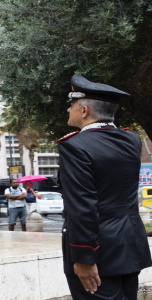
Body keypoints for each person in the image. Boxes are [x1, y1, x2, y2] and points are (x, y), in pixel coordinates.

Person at [58, 73, 151, 299]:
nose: (68, 110)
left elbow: (82, 207)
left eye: (71, 105)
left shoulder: (75, 146)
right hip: (129, 243)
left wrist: (84, 257)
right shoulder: (131, 140)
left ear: (84, 110)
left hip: (99, 251)